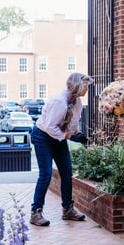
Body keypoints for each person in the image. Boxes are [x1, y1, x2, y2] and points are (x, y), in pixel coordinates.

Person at [29, 72, 93, 226]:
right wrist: (70, 137)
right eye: (86, 86)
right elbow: (51, 127)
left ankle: (68, 210)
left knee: (67, 172)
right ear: (78, 86)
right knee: (46, 174)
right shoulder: (59, 101)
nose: (87, 90)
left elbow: (71, 124)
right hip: (43, 136)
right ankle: (35, 213)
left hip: (58, 138)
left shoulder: (77, 102)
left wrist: (76, 134)